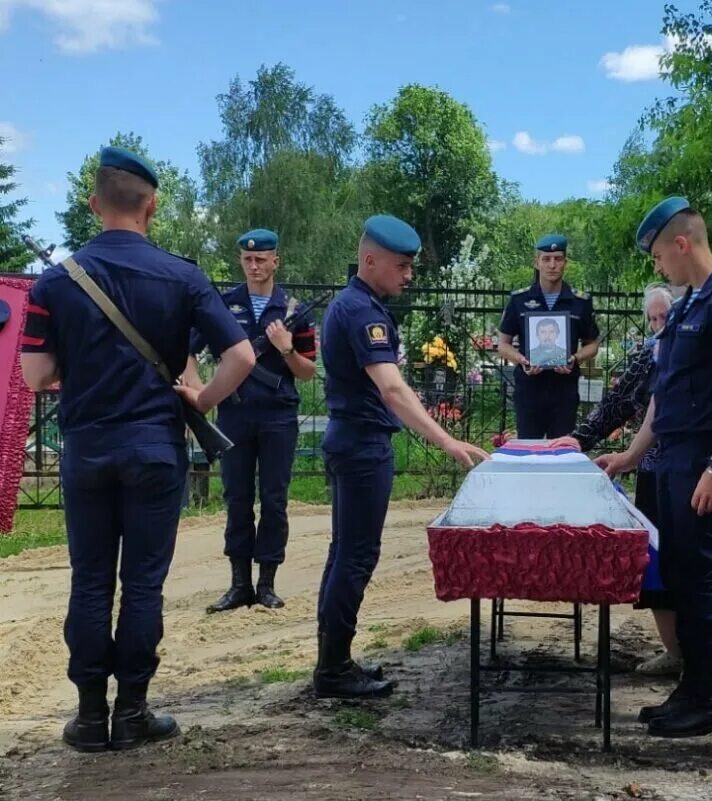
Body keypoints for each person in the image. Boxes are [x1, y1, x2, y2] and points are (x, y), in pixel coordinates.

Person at [20, 146, 254, 752]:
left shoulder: (55, 282)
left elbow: (35, 375)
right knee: (143, 584)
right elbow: (242, 356)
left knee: (91, 581)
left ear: (95, 204)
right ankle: (134, 713)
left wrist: (86, 373)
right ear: (151, 206)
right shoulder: (183, 276)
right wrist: (200, 403)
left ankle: (90, 719)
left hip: (88, 449)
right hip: (154, 449)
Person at [597, 197, 712, 738]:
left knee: (702, 578)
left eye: (658, 254)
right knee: (684, 577)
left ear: (681, 243)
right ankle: (692, 686)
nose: (657, 265)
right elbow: (662, 403)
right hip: (672, 461)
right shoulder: (688, 307)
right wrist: (630, 456)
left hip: (700, 460)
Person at [315, 214, 489, 699]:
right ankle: (332, 671)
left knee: (343, 554)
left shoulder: (355, 304)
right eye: (401, 265)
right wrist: (448, 441)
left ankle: (334, 660)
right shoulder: (362, 312)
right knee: (355, 557)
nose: (409, 275)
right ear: (370, 260)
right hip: (362, 447)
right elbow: (392, 389)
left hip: (352, 441)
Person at [561, 284, 712, 677]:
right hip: (664, 461)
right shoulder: (648, 353)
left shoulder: (711, 332)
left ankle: (707, 663)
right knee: (671, 565)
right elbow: (621, 406)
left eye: (664, 317)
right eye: (652, 318)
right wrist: (585, 441)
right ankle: (681, 656)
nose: (658, 325)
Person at [183, 229, 318, 613]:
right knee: (237, 497)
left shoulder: (294, 311)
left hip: (278, 415)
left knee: (274, 500)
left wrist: (286, 349)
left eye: (262, 259)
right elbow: (189, 350)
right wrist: (199, 392)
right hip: (235, 414)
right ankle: (239, 583)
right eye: (247, 259)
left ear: (276, 261)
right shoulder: (224, 307)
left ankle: (267, 583)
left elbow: (307, 371)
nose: (254, 266)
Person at [497, 234, 600, 438]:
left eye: (558, 259)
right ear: (537, 262)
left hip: (564, 392)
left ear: (565, 263)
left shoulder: (580, 302)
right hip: (529, 390)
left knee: (560, 454)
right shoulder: (519, 300)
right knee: (528, 453)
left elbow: (592, 344)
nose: (552, 265)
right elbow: (503, 344)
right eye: (546, 259)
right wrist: (522, 360)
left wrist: (575, 358)